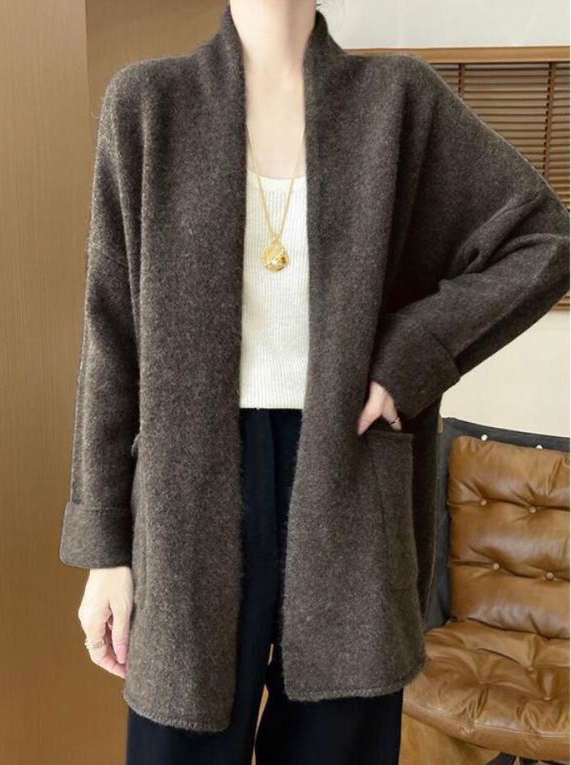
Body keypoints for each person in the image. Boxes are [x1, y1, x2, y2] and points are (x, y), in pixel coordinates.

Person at [58, 1, 570, 763]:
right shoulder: (149, 102)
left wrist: (409, 356)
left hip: (352, 473)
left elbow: (541, 239)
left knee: (340, 741)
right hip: (184, 496)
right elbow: (112, 335)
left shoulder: (398, 99)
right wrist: (106, 549)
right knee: (178, 742)